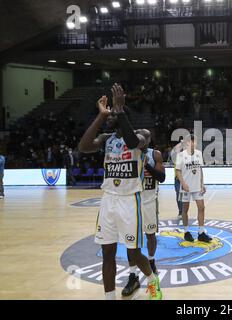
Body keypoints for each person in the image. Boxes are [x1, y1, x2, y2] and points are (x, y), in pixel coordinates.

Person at [78, 84, 162, 300]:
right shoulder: (107, 139)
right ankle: (109, 298)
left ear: (123, 112)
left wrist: (120, 108)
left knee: (133, 252)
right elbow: (84, 146)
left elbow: (133, 142)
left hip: (130, 201)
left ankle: (153, 281)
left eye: (112, 114)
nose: (109, 117)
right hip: (108, 200)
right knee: (107, 253)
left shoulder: (142, 135)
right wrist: (101, 115)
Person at [122, 133, 166, 297]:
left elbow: (161, 177)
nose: (140, 140)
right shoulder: (131, 153)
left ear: (148, 140)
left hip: (149, 202)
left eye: (144, 138)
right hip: (133, 202)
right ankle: (133, 275)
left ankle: (151, 262)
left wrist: (147, 166)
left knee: (150, 236)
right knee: (131, 240)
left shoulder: (155, 154)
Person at [176, 134, 212, 243]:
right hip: (185, 187)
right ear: (187, 143)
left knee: (202, 207)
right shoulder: (181, 155)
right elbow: (178, 171)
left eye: (195, 141)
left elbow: (200, 170)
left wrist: (202, 184)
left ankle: (201, 233)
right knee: (184, 209)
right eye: (193, 141)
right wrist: (183, 183)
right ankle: (186, 232)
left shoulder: (198, 154)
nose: (195, 143)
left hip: (197, 187)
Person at [171, 139, 184, 219]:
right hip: (177, 178)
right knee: (178, 195)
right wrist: (181, 143)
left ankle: (184, 211)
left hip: (185, 178)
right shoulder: (176, 155)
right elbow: (175, 150)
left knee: (184, 196)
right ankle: (180, 212)